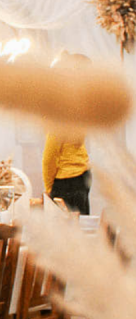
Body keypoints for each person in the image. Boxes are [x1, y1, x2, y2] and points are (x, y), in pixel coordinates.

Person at [42, 52, 93, 214]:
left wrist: (49, 188)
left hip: (67, 181)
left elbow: (50, 154)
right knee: (81, 224)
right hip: (81, 176)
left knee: (68, 229)